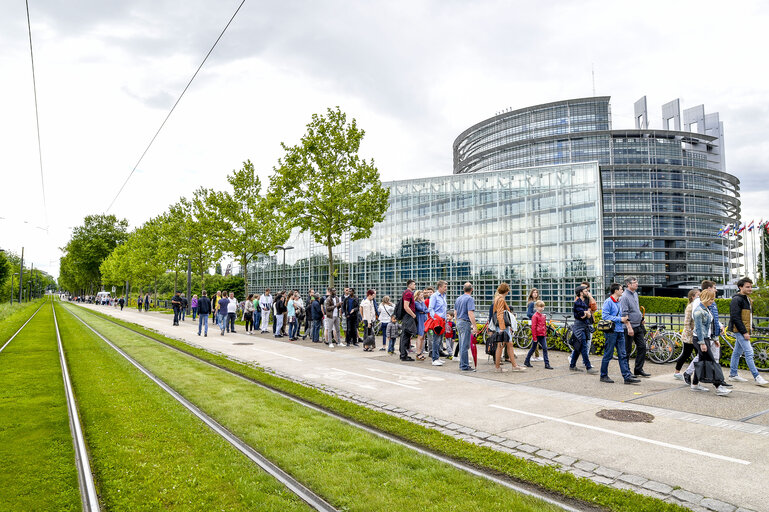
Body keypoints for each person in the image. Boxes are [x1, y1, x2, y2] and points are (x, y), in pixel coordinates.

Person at [728, 277, 769, 386]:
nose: (750, 289)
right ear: (740, 287)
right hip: (739, 330)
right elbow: (735, 318)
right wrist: (744, 332)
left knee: (737, 352)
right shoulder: (737, 300)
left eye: (751, 286)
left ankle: (733, 374)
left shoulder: (747, 299)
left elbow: (748, 316)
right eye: (747, 287)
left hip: (743, 329)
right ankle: (757, 377)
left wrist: (753, 326)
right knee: (749, 353)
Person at [691, 289, 731, 395]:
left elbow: (709, 327)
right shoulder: (699, 311)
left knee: (702, 361)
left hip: (705, 339)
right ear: (705, 298)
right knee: (711, 361)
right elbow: (699, 329)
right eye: (711, 299)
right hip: (701, 339)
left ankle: (694, 384)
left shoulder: (706, 309)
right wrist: (702, 343)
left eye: (713, 299)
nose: (712, 301)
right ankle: (719, 386)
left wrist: (714, 339)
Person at [599, 283, 638, 384]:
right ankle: (603, 375)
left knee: (623, 354)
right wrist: (620, 319)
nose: (622, 291)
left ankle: (627, 377)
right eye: (621, 289)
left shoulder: (619, 301)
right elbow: (605, 316)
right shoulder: (608, 302)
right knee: (608, 354)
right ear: (616, 291)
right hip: (611, 332)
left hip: (620, 331)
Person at [620, 277, 649, 377]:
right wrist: (628, 327)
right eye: (635, 282)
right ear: (628, 284)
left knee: (642, 347)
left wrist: (641, 318)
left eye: (637, 282)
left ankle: (638, 369)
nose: (637, 284)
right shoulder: (624, 297)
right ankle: (627, 372)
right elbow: (624, 313)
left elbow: (636, 309)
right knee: (627, 350)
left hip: (638, 326)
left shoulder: (635, 294)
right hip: (629, 327)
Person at [492, 283, 524, 372]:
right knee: (501, 346)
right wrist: (502, 328)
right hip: (503, 326)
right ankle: (499, 367)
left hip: (502, 326)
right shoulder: (501, 299)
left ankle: (513, 366)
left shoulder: (497, 298)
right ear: (506, 291)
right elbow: (500, 314)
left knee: (508, 345)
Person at [570, 285, 597, 373]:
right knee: (584, 346)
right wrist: (586, 313)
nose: (587, 292)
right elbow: (582, 315)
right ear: (581, 293)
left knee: (579, 346)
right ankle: (588, 367)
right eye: (585, 291)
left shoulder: (584, 302)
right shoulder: (577, 302)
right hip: (579, 327)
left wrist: (586, 313)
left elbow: (589, 312)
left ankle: (572, 365)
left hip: (584, 326)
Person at [673, 289, 699, 380]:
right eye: (697, 295)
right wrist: (690, 332)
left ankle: (697, 373)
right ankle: (677, 371)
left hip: (695, 334)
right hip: (689, 335)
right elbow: (687, 322)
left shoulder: (697, 305)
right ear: (693, 297)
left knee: (697, 354)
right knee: (686, 354)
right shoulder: (690, 307)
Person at [454, 282, 478, 372]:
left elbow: (455, 313)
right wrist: (474, 326)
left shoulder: (458, 299)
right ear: (472, 289)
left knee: (461, 344)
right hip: (465, 322)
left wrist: (457, 322)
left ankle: (462, 364)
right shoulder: (470, 299)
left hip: (459, 322)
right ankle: (464, 366)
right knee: (465, 345)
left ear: (463, 289)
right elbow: (470, 313)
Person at [525, 300, 552, 369]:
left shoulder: (543, 316)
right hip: (537, 335)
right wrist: (534, 337)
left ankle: (547, 364)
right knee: (533, 348)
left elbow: (544, 326)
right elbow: (533, 327)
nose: (542, 308)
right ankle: (527, 360)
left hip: (542, 335)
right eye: (540, 307)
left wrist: (545, 334)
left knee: (545, 348)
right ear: (536, 307)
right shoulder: (535, 316)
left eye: (543, 307)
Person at [428, 281, 448, 366]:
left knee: (440, 340)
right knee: (436, 340)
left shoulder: (444, 296)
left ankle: (437, 357)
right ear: (439, 287)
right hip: (437, 321)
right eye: (445, 286)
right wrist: (435, 318)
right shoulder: (434, 296)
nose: (446, 288)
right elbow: (430, 308)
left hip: (443, 321)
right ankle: (434, 359)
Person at [399, 280, 418, 362]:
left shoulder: (407, 292)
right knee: (406, 335)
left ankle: (403, 354)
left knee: (405, 335)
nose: (415, 286)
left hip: (407, 316)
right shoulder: (408, 293)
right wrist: (413, 315)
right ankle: (403, 355)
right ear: (409, 285)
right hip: (408, 316)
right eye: (414, 284)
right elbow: (406, 306)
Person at [526, 289, 542, 361]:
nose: (535, 294)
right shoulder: (532, 303)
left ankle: (536, 355)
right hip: (533, 323)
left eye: (536, 292)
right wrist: (536, 315)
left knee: (536, 339)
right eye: (534, 292)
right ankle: (534, 356)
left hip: (537, 323)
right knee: (535, 339)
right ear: (531, 294)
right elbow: (529, 314)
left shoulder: (537, 302)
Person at [414, 291, 428, 360]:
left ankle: (421, 352)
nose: (422, 296)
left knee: (423, 337)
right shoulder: (416, 303)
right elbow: (422, 309)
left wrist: (424, 310)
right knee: (420, 336)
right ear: (418, 295)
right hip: (420, 320)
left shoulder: (421, 303)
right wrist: (423, 304)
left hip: (424, 320)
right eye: (421, 295)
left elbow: (426, 310)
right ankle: (418, 353)